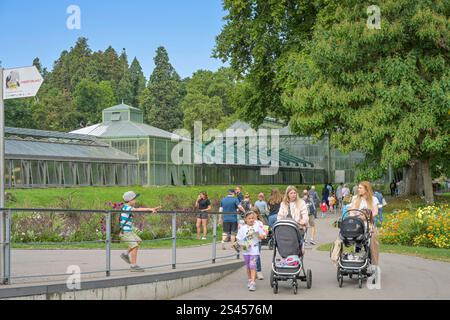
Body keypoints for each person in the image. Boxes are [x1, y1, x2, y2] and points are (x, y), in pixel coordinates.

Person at [119, 191, 159, 272]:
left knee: (138, 241)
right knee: (135, 246)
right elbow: (137, 210)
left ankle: (125, 254)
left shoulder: (127, 207)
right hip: (125, 232)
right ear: (130, 200)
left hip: (128, 231)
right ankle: (133, 266)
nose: (135, 201)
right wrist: (150, 209)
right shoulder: (126, 207)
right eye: (134, 199)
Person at [349, 181, 380, 267]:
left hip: (368, 224)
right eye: (358, 188)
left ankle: (374, 264)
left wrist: (367, 216)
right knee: (345, 235)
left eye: (360, 188)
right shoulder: (355, 199)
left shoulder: (374, 199)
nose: (358, 189)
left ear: (366, 189)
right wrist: (354, 217)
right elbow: (351, 211)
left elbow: (375, 212)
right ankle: (352, 258)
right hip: (357, 224)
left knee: (373, 239)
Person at [236, 211, 266, 291]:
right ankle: (249, 280)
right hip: (246, 250)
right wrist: (241, 244)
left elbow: (263, 236)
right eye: (249, 218)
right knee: (248, 266)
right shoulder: (242, 228)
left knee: (253, 265)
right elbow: (239, 239)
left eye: (252, 218)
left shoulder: (257, 227)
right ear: (245, 219)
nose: (251, 220)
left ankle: (253, 282)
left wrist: (259, 236)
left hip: (254, 250)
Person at [253, 207, 269, 280]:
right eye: (251, 213)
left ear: (257, 214)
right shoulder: (248, 222)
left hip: (258, 241)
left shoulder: (260, 222)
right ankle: (253, 271)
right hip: (249, 242)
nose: (253, 215)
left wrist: (264, 234)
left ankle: (259, 271)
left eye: (254, 213)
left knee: (257, 256)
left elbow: (264, 232)